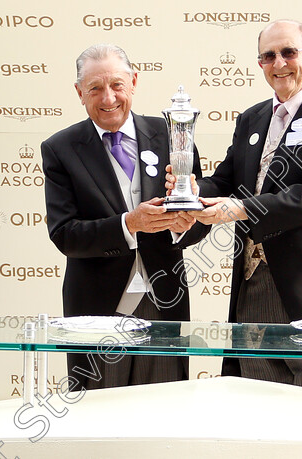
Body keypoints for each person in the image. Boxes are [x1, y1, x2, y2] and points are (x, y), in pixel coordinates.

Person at [187, 20, 302, 394]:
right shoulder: (252, 119)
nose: (279, 62)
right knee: (256, 400)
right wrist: (191, 192)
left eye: (289, 52)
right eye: (269, 55)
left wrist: (242, 210)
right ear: (260, 64)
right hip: (253, 284)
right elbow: (226, 181)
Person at [42, 44, 207, 390]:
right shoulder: (60, 149)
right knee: (97, 418)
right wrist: (128, 224)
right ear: (79, 93)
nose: (108, 98)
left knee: (163, 411)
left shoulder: (173, 134)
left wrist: (184, 223)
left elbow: (194, 222)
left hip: (164, 301)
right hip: (97, 309)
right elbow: (65, 234)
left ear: (133, 82)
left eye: (117, 85)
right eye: (95, 89)